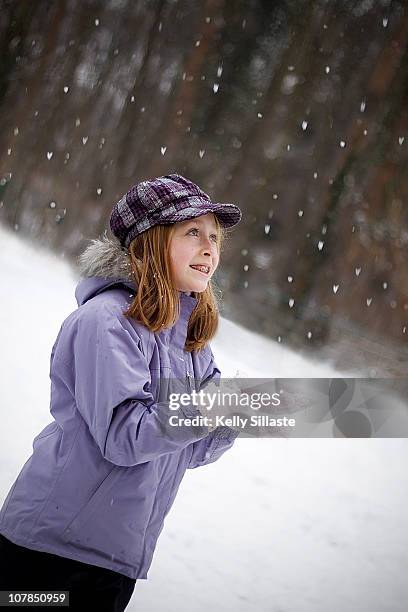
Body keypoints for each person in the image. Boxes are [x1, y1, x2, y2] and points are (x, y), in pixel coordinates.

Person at [0, 173, 243, 610]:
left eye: (215, 236)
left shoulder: (190, 342)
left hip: (116, 558)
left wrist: (236, 415)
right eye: (193, 232)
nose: (210, 247)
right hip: (51, 553)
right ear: (150, 241)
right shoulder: (106, 321)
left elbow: (187, 450)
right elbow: (125, 437)